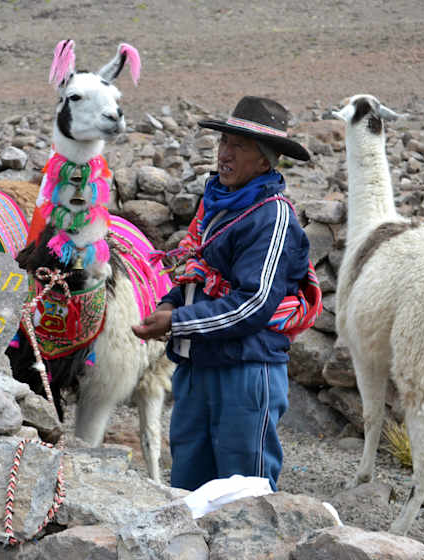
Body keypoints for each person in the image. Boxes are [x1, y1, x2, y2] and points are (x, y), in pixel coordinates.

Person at [132, 96, 318, 492]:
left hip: (246, 370)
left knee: (242, 493)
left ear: (264, 162)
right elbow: (196, 273)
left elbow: (254, 303)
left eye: (239, 146)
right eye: (223, 143)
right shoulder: (216, 205)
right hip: (198, 365)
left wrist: (177, 320)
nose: (225, 155)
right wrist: (167, 304)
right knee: (188, 488)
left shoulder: (272, 216)